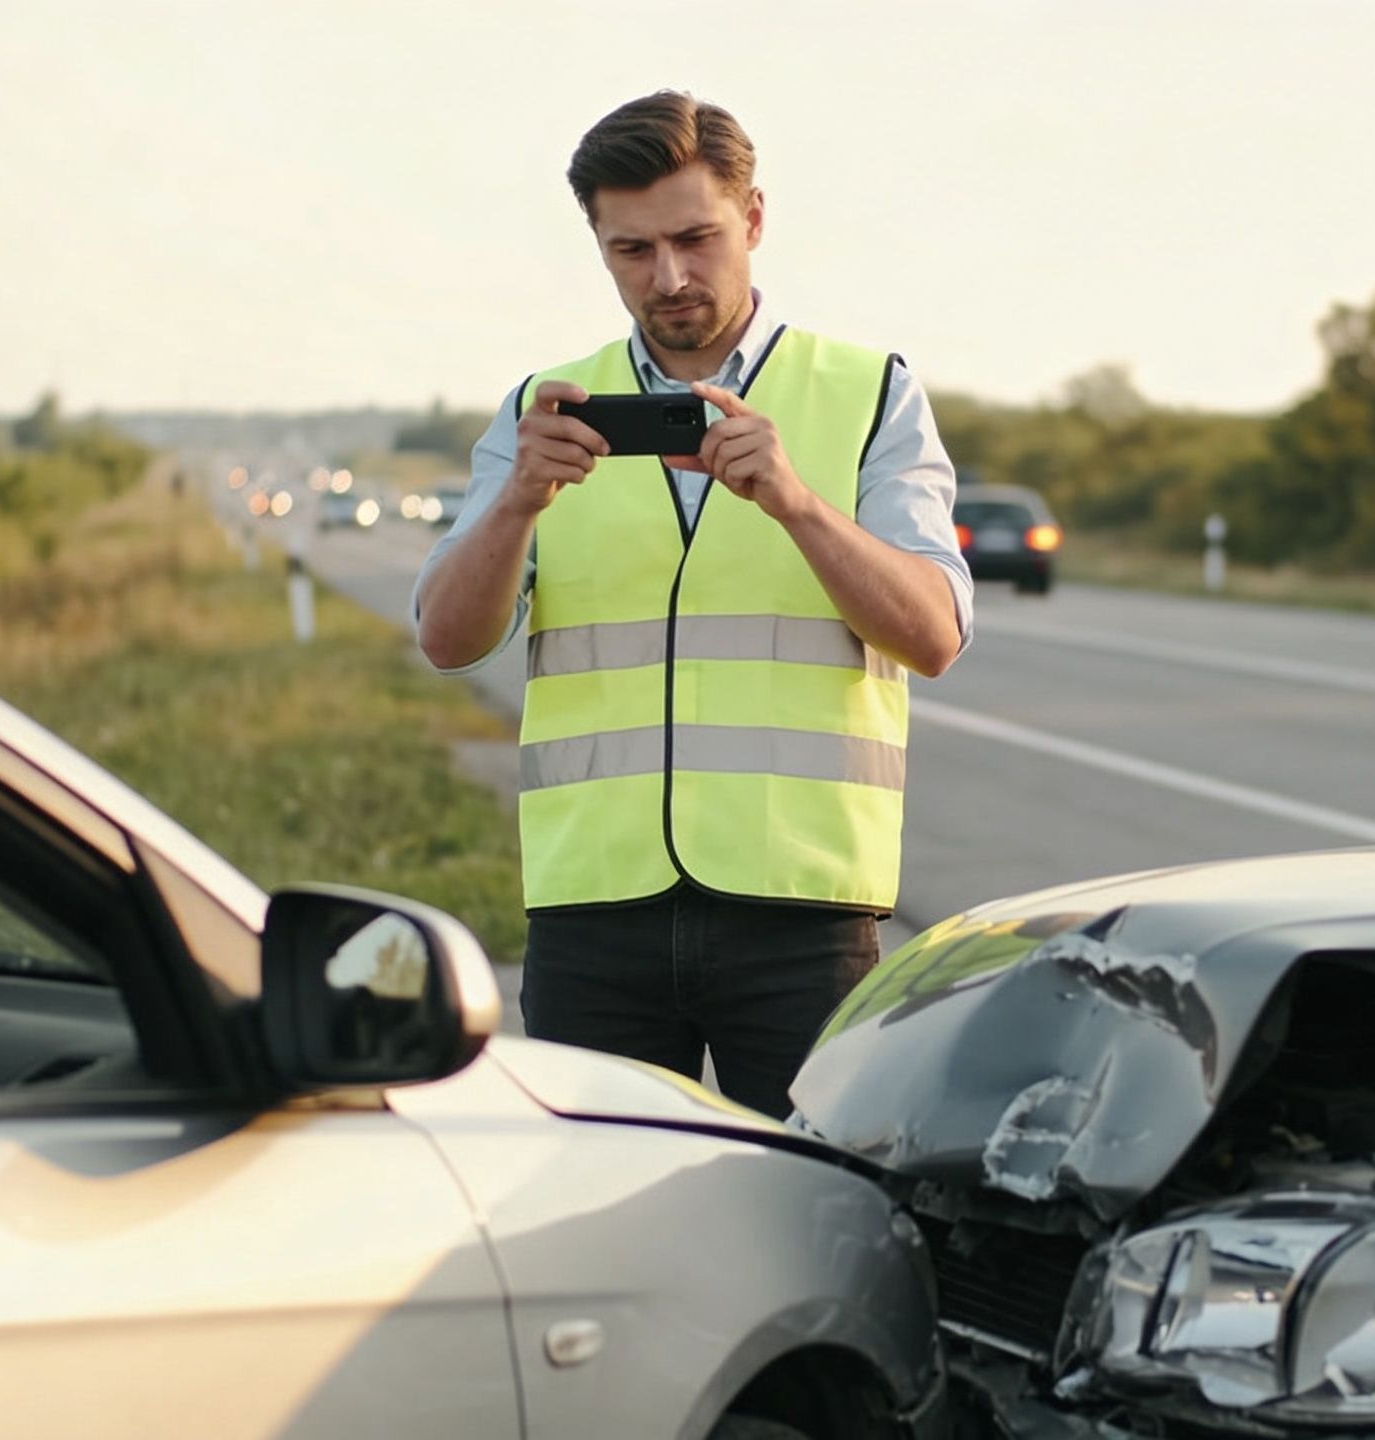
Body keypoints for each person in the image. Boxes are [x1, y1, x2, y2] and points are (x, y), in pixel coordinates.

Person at [413, 91, 972, 1117]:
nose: (667, 277)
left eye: (694, 237)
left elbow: (932, 635)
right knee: (606, 1225)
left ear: (753, 219)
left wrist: (798, 504)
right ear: (598, 244)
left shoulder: (868, 393)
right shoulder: (546, 405)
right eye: (630, 250)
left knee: (815, 1218)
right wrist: (516, 503)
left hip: (801, 915)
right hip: (593, 913)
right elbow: (448, 640)